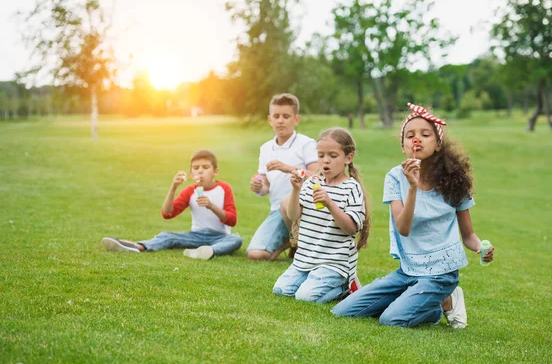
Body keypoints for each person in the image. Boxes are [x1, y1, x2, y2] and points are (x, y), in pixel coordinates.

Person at [332, 103, 495, 328]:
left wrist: (480, 248)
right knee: (343, 311)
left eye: (424, 134)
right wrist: (412, 187)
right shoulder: (395, 177)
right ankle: (424, 299)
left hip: (441, 273)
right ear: (404, 146)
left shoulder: (454, 182)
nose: (416, 139)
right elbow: (403, 228)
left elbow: (468, 235)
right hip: (408, 270)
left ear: (438, 144)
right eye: (410, 136)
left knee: (391, 319)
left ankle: (443, 302)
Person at [272, 127, 371, 303]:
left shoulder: (351, 188)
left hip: (333, 263)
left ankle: (344, 286)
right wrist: (296, 190)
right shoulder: (311, 183)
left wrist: (330, 204)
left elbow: (350, 229)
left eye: (333, 156)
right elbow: (294, 215)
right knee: (281, 290)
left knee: (304, 297)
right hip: (306, 259)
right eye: (321, 155)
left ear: (348, 157)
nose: (325, 161)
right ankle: (315, 280)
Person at [101, 150, 243, 260]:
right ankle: (137, 246)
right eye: (196, 168)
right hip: (195, 236)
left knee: (236, 240)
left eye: (205, 167)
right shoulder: (190, 191)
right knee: (167, 236)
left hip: (220, 237)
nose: (200, 170)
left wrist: (211, 206)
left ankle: (209, 251)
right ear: (191, 173)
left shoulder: (224, 188)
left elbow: (232, 220)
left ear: (215, 172)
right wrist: (173, 187)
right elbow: (167, 213)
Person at [247, 93, 318, 261]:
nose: (280, 120)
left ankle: (298, 239)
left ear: (296, 119)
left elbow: (318, 177)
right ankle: (292, 241)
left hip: (305, 209)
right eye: (276, 116)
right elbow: (265, 186)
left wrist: (287, 168)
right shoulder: (265, 148)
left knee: (287, 202)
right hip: (277, 211)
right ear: (270, 119)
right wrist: (259, 187)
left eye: (286, 116)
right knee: (255, 254)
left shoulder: (306, 144)